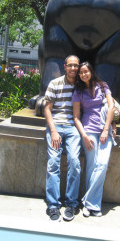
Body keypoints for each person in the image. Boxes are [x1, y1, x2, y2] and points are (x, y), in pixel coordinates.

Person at [72, 61, 116, 217]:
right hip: (88, 131)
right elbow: (76, 117)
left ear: (91, 71)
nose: (83, 74)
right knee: (91, 166)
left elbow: (111, 107)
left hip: (105, 130)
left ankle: (87, 201)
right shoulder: (78, 91)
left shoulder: (103, 86)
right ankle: (93, 206)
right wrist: (83, 136)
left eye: (86, 71)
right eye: (81, 72)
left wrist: (106, 129)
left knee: (102, 164)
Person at [41, 55, 82, 221]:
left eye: (76, 66)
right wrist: (53, 131)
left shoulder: (81, 86)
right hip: (56, 126)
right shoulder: (55, 83)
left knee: (74, 162)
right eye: (70, 65)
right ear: (65, 66)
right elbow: (47, 109)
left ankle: (71, 203)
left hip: (73, 127)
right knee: (53, 163)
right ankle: (53, 205)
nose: (73, 68)